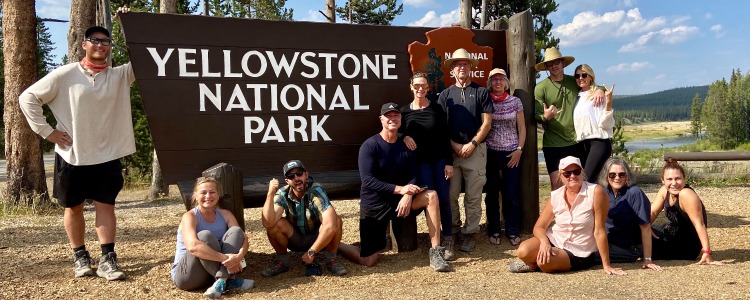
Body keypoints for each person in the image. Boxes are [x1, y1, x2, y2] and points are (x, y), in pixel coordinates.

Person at [18, 13, 134, 280]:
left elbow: (143, 56)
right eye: (94, 40)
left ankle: (107, 258)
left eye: (106, 42)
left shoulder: (120, 76)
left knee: (107, 206)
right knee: (74, 207)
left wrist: (127, 25)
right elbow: (28, 98)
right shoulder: (66, 74)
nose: (100, 45)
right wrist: (47, 132)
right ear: (84, 44)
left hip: (108, 154)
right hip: (73, 155)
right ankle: (80, 256)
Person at [339, 103, 451, 272]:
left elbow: (414, 175)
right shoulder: (370, 146)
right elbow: (368, 181)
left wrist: (407, 195)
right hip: (375, 204)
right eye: (388, 116)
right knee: (368, 260)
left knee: (432, 196)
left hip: (401, 202)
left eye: (396, 116)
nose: (392, 119)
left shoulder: (406, 145)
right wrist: (401, 189)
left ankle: (436, 253)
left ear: (400, 119)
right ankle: (338, 246)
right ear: (381, 119)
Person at [508, 156, 625, 275]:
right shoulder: (556, 195)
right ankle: (535, 265)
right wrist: (544, 242)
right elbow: (539, 227)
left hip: (579, 250)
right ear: (560, 176)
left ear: (582, 172)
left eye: (576, 172)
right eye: (567, 173)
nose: (572, 176)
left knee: (544, 263)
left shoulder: (595, 191)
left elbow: (599, 230)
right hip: (556, 239)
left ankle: (537, 264)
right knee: (523, 251)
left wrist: (607, 265)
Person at [437, 48, 493, 255]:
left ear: (471, 68)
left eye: (465, 64)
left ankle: (470, 234)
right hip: (451, 153)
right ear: (452, 69)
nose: (462, 67)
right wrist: (454, 145)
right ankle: (451, 233)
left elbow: (487, 123)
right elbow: (440, 125)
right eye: (458, 64)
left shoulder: (481, 92)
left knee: (473, 196)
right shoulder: (445, 95)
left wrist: (472, 144)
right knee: (450, 196)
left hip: (476, 151)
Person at [261, 160, 349, 277]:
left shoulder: (316, 190)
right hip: (295, 239)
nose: (296, 178)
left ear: (306, 174)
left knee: (335, 220)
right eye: (291, 176)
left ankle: (331, 260)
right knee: (275, 225)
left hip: (317, 237)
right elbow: (268, 222)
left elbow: (330, 225)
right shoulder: (283, 193)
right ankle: (283, 261)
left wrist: (311, 252)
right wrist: (270, 193)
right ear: (287, 181)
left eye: (299, 173)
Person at [399, 72, 454, 255]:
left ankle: (448, 238)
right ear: (411, 87)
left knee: (444, 199)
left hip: (439, 162)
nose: (420, 89)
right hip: (420, 164)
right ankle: (435, 241)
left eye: (423, 86)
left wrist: (449, 162)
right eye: (416, 86)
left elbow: (446, 137)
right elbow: (395, 132)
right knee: (432, 200)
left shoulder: (437, 109)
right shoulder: (404, 112)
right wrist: (404, 136)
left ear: (428, 88)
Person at [534, 48, 604, 190]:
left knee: (578, 182)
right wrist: (545, 117)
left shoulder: (574, 81)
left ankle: (577, 211)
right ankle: (559, 212)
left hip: (575, 142)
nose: (554, 66)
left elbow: (592, 85)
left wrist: (599, 89)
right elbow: (536, 115)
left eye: (557, 62)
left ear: (563, 63)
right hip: (553, 144)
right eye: (550, 63)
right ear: (546, 67)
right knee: (557, 183)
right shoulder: (541, 88)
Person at [171, 177, 253, 298]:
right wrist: (227, 259)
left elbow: (243, 238)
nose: (208, 196)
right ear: (195, 195)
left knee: (236, 231)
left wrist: (238, 257)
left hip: (210, 274)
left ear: (218, 195)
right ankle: (227, 280)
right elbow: (193, 247)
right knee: (204, 236)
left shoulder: (226, 214)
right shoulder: (189, 217)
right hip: (187, 276)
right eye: (203, 192)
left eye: (212, 192)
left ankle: (221, 281)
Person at [650, 158, 722, 265]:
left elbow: (699, 224)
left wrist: (706, 252)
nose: (674, 183)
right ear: (663, 180)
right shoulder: (664, 190)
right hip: (671, 231)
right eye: (669, 179)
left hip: (684, 245)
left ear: (685, 178)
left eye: (678, 178)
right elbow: (653, 213)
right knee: (636, 228)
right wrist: (646, 227)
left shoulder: (686, 194)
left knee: (637, 241)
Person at [483, 68, 525, 247]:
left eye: (501, 79)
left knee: (511, 194)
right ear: (490, 83)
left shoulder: (515, 102)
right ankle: (493, 229)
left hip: (511, 153)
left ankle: (512, 230)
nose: (498, 82)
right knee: (492, 194)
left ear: (506, 82)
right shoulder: (485, 100)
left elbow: (522, 127)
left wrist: (519, 149)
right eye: (494, 79)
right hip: (491, 153)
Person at [598, 158, 661, 271]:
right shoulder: (603, 192)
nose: (617, 178)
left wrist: (647, 259)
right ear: (606, 176)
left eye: (621, 174)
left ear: (627, 176)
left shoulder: (634, 193)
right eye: (612, 175)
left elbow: (645, 227)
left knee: (589, 255)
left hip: (629, 248)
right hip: (609, 242)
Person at [573, 64, 615, 182]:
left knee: (586, 180)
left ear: (591, 76)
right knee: (593, 182)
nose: (580, 78)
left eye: (584, 75)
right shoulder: (577, 97)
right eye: (577, 76)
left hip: (598, 143)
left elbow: (605, 123)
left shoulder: (598, 96)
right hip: (583, 144)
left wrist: (609, 102)